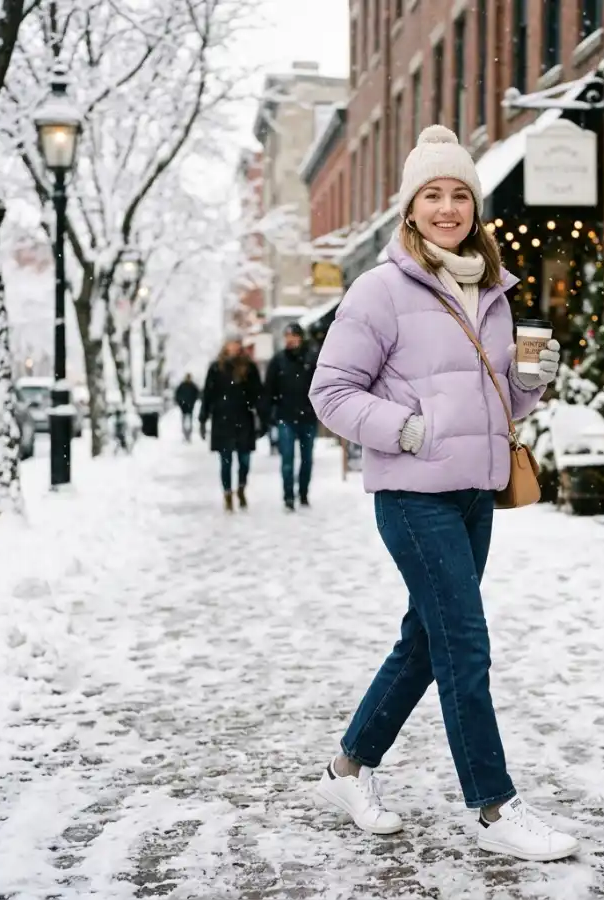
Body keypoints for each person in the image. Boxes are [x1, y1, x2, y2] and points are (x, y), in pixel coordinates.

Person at [309, 125, 573, 862]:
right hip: (412, 494)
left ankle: (347, 770)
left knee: (427, 641)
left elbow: (499, 405)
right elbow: (330, 392)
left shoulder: (492, 288)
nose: (448, 207)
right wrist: (407, 429)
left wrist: (530, 382)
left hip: (474, 495)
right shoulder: (379, 290)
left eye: (460, 194)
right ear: (410, 208)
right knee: (464, 643)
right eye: (433, 194)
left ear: (475, 206)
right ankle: (494, 807)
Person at [199, 337, 265, 512]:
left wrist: (262, 417)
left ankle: (241, 487)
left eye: (236, 344)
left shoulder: (249, 368)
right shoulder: (216, 368)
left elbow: (258, 394)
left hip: (244, 419)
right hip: (222, 420)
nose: (234, 348)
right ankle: (227, 493)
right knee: (225, 461)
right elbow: (208, 394)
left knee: (244, 460)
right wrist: (203, 418)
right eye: (231, 344)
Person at [265, 322, 319, 510]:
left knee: (307, 460)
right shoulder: (278, 360)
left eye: (293, 336)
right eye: (287, 336)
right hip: (285, 417)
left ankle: (303, 493)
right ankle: (288, 496)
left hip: (308, 417)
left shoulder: (311, 359)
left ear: (300, 338)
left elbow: (319, 387)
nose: (290, 340)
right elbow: (269, 389)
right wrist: (270, 414)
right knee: (287, 459)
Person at [175, 373, 200, 442]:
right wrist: (180, 402)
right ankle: (185, 435)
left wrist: (193, 401)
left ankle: (188, 435)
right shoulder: (182, 386)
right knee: (184, 421)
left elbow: (197, 394)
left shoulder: (192, 386)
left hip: (190, 406)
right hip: (184, 406)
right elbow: (177, 395)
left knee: (189, 422)